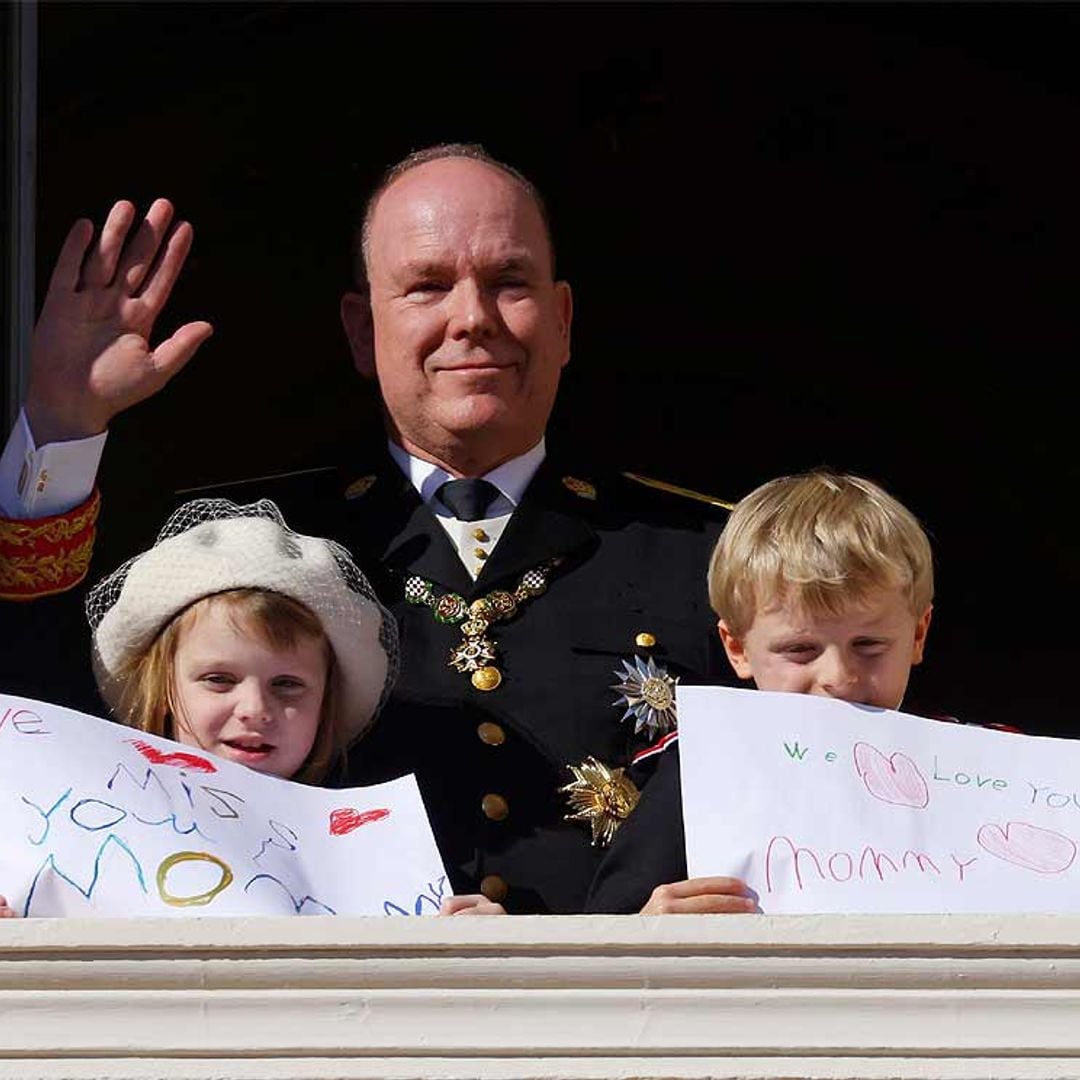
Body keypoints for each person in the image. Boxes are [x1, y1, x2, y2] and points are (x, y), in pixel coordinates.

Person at [0, 144, 730, 914]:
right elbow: (44, 718)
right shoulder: (244, 543)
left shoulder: (706, 556)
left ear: (563, 320)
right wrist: (62, 425)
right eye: (427, 286)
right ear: (360, 329)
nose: (472, 318)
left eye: (509, 282)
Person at [0, 497, 501, 917]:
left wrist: (475, 950)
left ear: (327, 702)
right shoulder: (66, 834)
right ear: (161, 689)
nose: (255, 708)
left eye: (288, 685)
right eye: (218, 680)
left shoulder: (392, 862)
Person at [585, 470, 935, 914]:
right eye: (800, 650)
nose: (839, 677)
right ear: (737, 648)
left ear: (918, 634)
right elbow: (605, 934)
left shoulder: (976, 773)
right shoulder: (696, 768)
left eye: (868, 645)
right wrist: (646, 924)